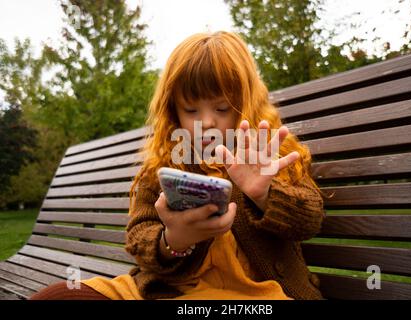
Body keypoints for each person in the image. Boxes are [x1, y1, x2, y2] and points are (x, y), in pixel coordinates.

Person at [30, 31, 328, 300]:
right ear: (173, 111)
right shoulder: (164, 166)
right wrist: (175, 240)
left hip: (254, 295)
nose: (207, 121)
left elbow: (310, 219)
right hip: (168, 289)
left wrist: (266, 195)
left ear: (247, 103)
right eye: (191, 109)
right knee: (58, 296)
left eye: (222, 108)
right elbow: (139, 236)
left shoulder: (270, 155)